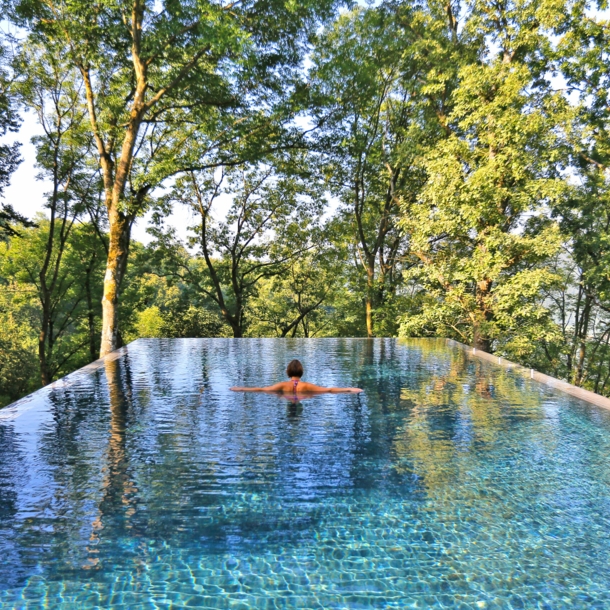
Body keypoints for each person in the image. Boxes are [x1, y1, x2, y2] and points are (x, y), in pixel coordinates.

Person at [230, 359, 363, 396]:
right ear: (301, 372)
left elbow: (261, 390)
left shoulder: (283, 385)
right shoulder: (306, 386)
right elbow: (329, 390)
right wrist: (349, 389)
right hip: (303, 395)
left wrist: (241, 388)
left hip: (286, 395)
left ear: (288, 372)